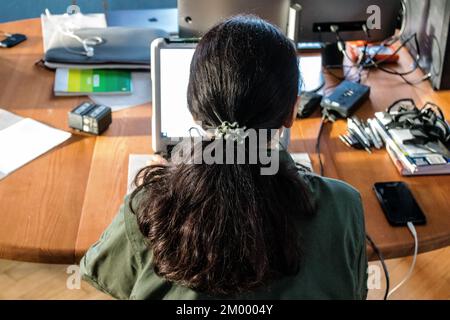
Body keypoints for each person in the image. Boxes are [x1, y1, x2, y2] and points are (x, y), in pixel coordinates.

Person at [80, 15, 368, 300]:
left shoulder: (148, 209)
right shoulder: (343, 207)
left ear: (193, 110)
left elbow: (102, 280)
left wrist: (159, 189)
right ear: (292, 112)